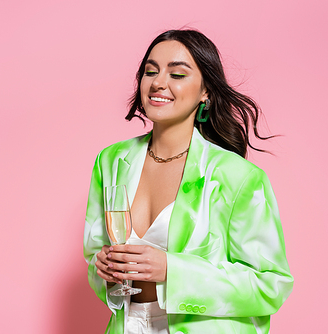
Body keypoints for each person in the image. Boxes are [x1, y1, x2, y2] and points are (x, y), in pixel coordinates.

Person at [83, 29, 293, 334]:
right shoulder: (112, 161)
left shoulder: (238, 177)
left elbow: (270, 285)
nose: (158, 82)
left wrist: (172, 270)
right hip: (127, 326)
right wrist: (104, 271)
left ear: (205, 91)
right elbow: (95, 256)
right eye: (150, 71)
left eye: (177, 74)